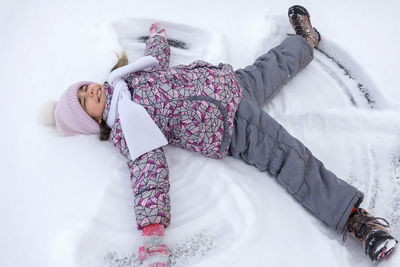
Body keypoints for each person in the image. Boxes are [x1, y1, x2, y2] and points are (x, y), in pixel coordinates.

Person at [44, 5, 397, 266]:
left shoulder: (126, 80)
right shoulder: (127, 123)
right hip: (231, 124)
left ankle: (306, 41)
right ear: (94, 123)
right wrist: (152, 231)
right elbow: (147, 171)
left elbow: (157, 62)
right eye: (83, 103)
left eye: (83, 89)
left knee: (272, 64)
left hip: (231, 83)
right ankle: (358, 221)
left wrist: (157, 40)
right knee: (291, 157)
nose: (89, 93)